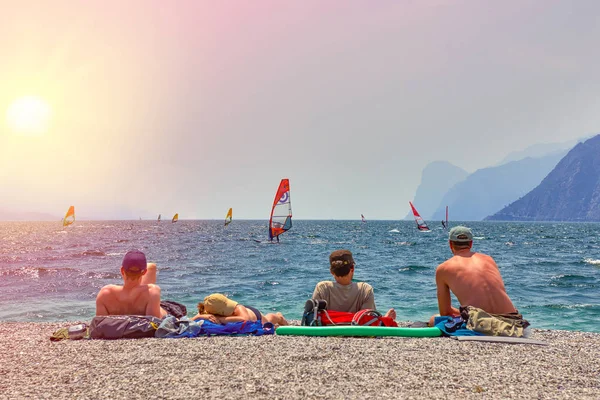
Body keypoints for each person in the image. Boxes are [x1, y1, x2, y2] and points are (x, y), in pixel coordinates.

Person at [428, 226, 521, 327]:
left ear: (450, 244)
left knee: (434, 319)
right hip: (515, 322)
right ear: (471, 243)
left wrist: (464, 313)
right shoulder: (489, 259)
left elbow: (445, 312)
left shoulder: (443, 268)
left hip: (485, 325)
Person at [95, 250, 187, 319]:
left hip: (134, 303)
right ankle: (137, 282)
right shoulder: (152, 291)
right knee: (152, 267)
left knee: (151, 267)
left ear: (122, 270)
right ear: (144, 272)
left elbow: (99, 326)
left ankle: (134, 285)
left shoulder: (105, 293)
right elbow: (154, 324)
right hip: (164, 310)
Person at [312, 249, 396, 319]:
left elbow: (314, 316)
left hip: (328, 328)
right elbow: (366, 319)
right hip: (357, 329)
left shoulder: (322, 287)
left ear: (331, 271)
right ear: (352, 268)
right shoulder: (365, 289)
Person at [192, 293, 288, 326]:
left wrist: (220, 319)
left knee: (269, 320)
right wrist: (203, 316)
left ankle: (279, 317)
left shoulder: (238, 307)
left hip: (253, 315)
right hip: (244, 315)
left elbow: (245, 319)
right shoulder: (209, 310)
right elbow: (192, 320)